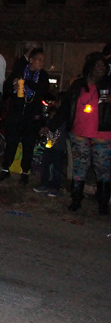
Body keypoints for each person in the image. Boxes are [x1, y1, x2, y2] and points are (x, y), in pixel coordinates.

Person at [62, 53, 111, 213]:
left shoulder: (108, 86)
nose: (100, 69)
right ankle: (76, 200)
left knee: (102, 169)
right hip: (79, 132)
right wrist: (51, 126)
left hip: (102, 134)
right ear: (89, 67)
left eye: (103, 67)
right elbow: (65, 107)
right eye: (97, 66)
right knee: (79, 166)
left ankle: (103, 203)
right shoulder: (78, 85)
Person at [0, 48, 49, 184]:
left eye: (43, 61)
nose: (41, 63)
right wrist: (14, 87)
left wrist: (27, 83)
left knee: (28, 144)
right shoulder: (19, 72)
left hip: (31, 115)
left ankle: (25, 172)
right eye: (39, 60)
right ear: (31, 60)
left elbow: (43, 90)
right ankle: (5, 169)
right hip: (16, 113)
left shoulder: (43, 76)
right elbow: (6, 89)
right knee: (11, 142)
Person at [34, 92, 68, 197]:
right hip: (49, 145)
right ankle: (44, 185)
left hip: (59, 147)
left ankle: (55, 188)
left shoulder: (63, 117)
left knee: (57, 168)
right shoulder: (52, 115)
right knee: (45, 165)